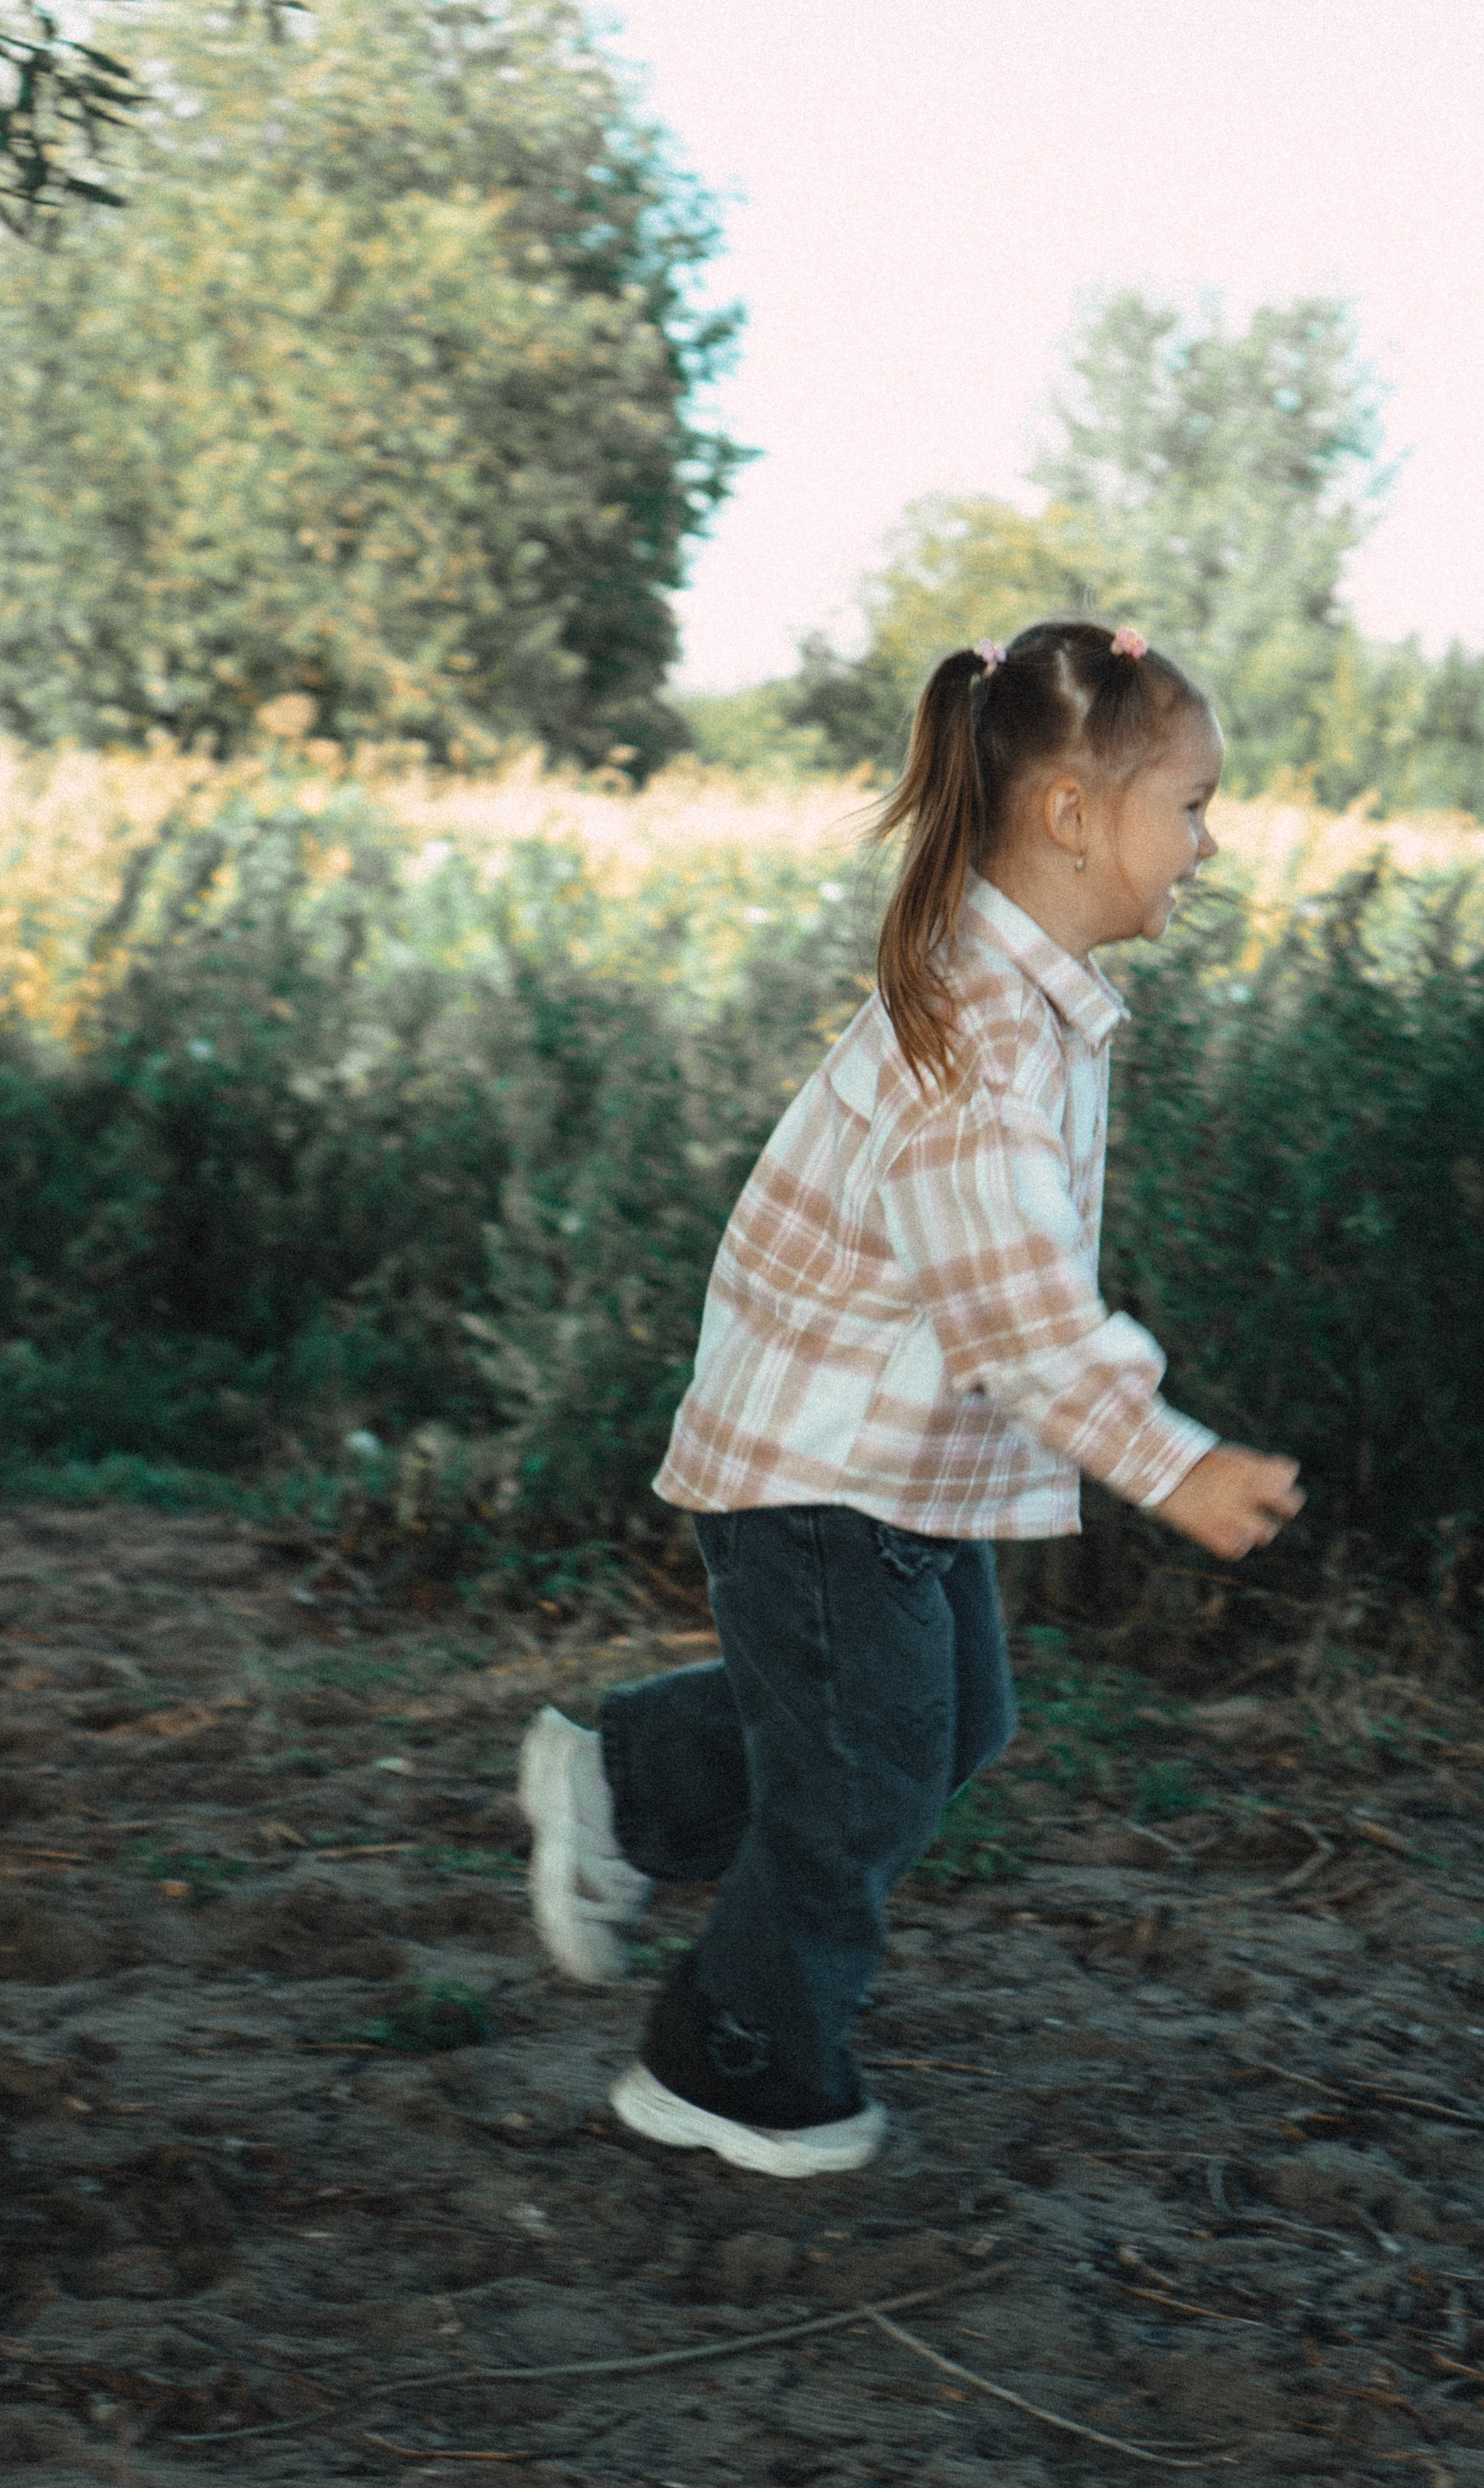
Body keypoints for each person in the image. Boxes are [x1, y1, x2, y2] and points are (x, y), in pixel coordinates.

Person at [519, 620, 1304, 2178]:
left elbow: (1008, 1306)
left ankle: (625, 1779)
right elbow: (1017, 1317)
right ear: (1075, 813)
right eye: (1193, 804)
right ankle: (731, 2063)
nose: (1209, 841)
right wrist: (1172, 1464)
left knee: (941, 1727)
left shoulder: (1033, 1002)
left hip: (894, 1463)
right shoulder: (984, 1040)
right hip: (822, 1468)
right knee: (859, 1778)